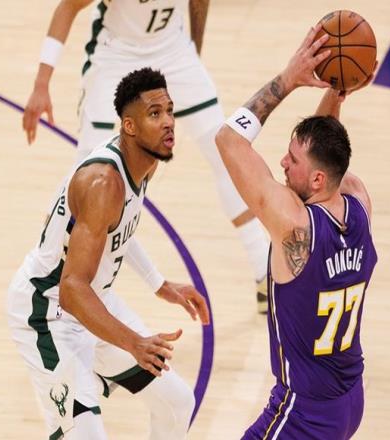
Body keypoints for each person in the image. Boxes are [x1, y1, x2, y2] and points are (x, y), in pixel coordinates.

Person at [22, 0, 270, 313]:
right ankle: (49, 275)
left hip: (173, 50)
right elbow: (68, 7)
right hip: (115, 55)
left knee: (223, 152)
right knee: (88, 175)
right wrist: (41, 84)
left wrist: (193, 51)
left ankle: (263, 270)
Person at [8, 68, 210, 440]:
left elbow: (119, 230)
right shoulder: (103, 183)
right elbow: (71, 290)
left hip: (93, 303)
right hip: (48, 313)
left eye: (169, 110)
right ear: (129, 126)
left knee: (177, 403)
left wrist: (159, 284)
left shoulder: (143, 162)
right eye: (155, 114)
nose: (168, 122)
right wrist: (134, 342)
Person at [215, 24, 378, 439]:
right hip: (349, 400)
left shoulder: (294, 226)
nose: (282, 164)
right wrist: (337, 90)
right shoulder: (359, 202)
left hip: (303, 413)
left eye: (291, 160)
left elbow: (229, 140)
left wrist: (289, 79)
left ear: (318, 179)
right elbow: (327, 147)